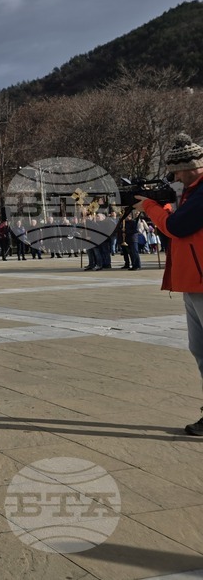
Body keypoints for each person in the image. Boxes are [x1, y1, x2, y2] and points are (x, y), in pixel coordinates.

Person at [135, 133, 203, 435]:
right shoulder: (191, 192)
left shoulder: (200, 192)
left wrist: (151, 207)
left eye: (176, 170)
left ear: (190, 167)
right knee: (198, 350)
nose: (174, 177)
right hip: (194, 281)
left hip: (201, 280)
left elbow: (178, 226)